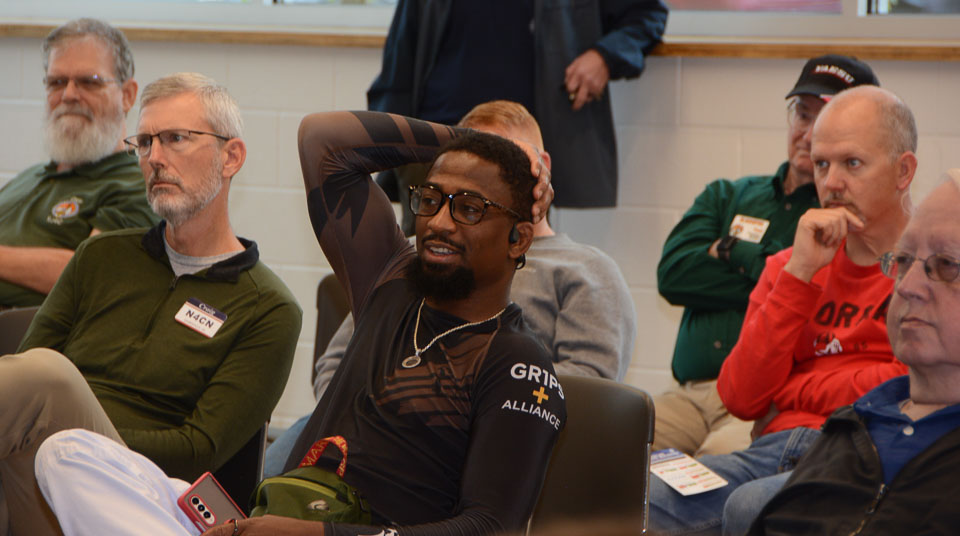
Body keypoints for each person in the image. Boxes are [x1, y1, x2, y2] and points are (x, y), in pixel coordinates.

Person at [35, 110, 564, 536]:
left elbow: (490, 527)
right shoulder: (392, 283)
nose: (439, 222)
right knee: (67, 454)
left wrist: (319, 535)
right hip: (267, 516)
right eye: (430, 199)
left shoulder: (518, 364)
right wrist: (474, 143)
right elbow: (322, 138)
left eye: (469, 208)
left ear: (518, 239)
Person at [263, 100, 636, 477]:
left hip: (482, 447)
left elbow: (584, 391)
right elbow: (339, 361)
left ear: (544, 168)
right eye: (469, 162)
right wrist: (464, 145)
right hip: (361, 428)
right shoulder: (414, 256)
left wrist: (442, 413)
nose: (443, 223)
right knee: (267, 485)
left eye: (501, 163)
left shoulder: (586, 270)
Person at [0, 73, 301, 536]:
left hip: (143, 494)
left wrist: (68, 429)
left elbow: (198, 449)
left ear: (231, 157)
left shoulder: (269, 308)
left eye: (176, 138)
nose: (155, 157)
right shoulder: (100, 257)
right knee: (36, 380)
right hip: (39, 478)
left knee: (46, 377)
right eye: (144, 142)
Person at [648, 85, 916, 535]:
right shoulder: (791, 265)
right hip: (769, 452)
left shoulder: (931, 267)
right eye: (822, 164)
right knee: (640, 494)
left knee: (751, 507)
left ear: (903, 171)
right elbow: (742, 396)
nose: (831, 183)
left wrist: (789, 391)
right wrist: (800, 274)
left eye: (852, 164)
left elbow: (909, 384)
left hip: (866, 455)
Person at [654, 55, 879, 457]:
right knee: (612, 446)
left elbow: (795, 287)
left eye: (825, 121)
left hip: (759, 406)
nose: (808, 134)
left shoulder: (840, 218)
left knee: (710, 470)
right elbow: (673, 274)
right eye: (803, 115)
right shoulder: (726, 194)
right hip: (687, 394)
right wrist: (770, 267)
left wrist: (727, 250)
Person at [743, 170, 960, 534]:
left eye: (947, 266)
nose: (907, 287)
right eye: (903, 260)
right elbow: (740, 394)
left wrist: (784, 391)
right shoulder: (851, 426)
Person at [368, 0, 668, 234]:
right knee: (428, 261)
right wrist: (391, 149)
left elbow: (647, 15)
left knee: (522, 267)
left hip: (521, 154)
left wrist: (605, 57)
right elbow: (400, 57)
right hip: (434, 145)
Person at [0, 18, 158, 309]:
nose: (69, 95)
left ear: (127, 95)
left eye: (89, 82)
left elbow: (89, 274)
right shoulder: (30, 177)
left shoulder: (138, 185)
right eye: (57, 82)